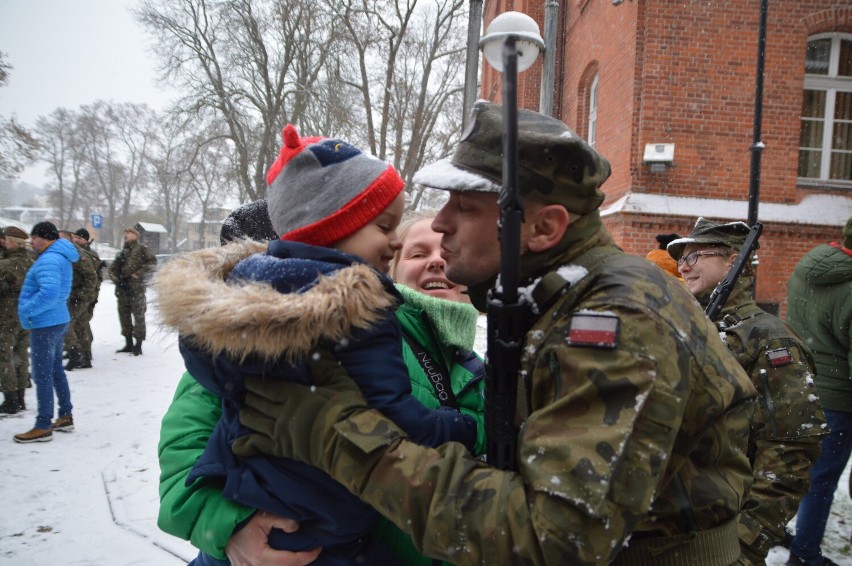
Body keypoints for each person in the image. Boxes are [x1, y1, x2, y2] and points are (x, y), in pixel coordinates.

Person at [228, 101, 758, 565]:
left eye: (464, 208)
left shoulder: (617, 319)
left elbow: (553, 539)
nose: (437, 225)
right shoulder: (552, 298)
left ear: (545, 228)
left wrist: (337, 436)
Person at [154, 125, 481, 566]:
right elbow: (187, 448)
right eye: (418, 252)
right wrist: (230, 527)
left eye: (445, 251)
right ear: (393, 268)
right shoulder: (311, 322)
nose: (434, 259)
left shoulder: (482, 372)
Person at [666, 218, 826, 564]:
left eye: (695, 256)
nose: (683, 266)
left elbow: (790, 454)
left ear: (732, 260)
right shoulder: (689, 325)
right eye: (681, 258)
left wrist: (747, 541)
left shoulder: (770, 340)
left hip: (723, 538)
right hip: (674, 528)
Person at [783, 217, 852, 566]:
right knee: (822, 480)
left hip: (804, 383)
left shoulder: (810, 264)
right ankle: (805, 554)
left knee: (805, 471)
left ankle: (789, 537)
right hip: (841, 398)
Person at [14, 221, 78, 443]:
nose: (31, 241)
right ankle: (65, 415)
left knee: (42, 375)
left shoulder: (50, 259)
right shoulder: (59, 256)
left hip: (46, 323)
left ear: (45, 237)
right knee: (55, 370)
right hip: (58, 319)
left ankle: (43, 425)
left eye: (34, 237)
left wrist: (25, 308)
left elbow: (49, 293)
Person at [0, 226, 34, 414]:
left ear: (12, 241)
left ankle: (10, 398)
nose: (4, 242)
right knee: (20, 355)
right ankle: (20, 397)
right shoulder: (32, 262)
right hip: (26, 314)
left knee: (4, 356)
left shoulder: (6, 265)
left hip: (6, 315)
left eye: (6, 239)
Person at [109, 227, 156, 355]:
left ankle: (138, 345)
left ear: (136, 235)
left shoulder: (142, 249)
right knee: (124, 317)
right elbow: (112, 269)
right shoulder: (122, 252)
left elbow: (152, 263)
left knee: (139, 317)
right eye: (125, 233)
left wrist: (138, 273)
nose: (126, 235)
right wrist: (116, 279)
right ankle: (128, 343)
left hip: (137, 289)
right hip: (123, 290)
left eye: (129, 233)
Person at [58, 230, 99, 371]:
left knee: (67, 325)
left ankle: (76, 353)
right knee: (80, 326)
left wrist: (82, 295)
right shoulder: (70, 253)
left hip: (79, 297)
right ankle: (83, 356)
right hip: (74, 295)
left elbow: (91, 277)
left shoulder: (78, 254)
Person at [69, 228, 104, 368]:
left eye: (79, 238)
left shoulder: (89, 254)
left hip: (86, 296)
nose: (76, 240)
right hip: (81, 295)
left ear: (85, 239)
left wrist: (87, 296)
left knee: (80, 324)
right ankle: (82, 352)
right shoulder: (75, 253)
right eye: (74, 237)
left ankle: (84, 353)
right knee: (80, 324)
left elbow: (94, 278)